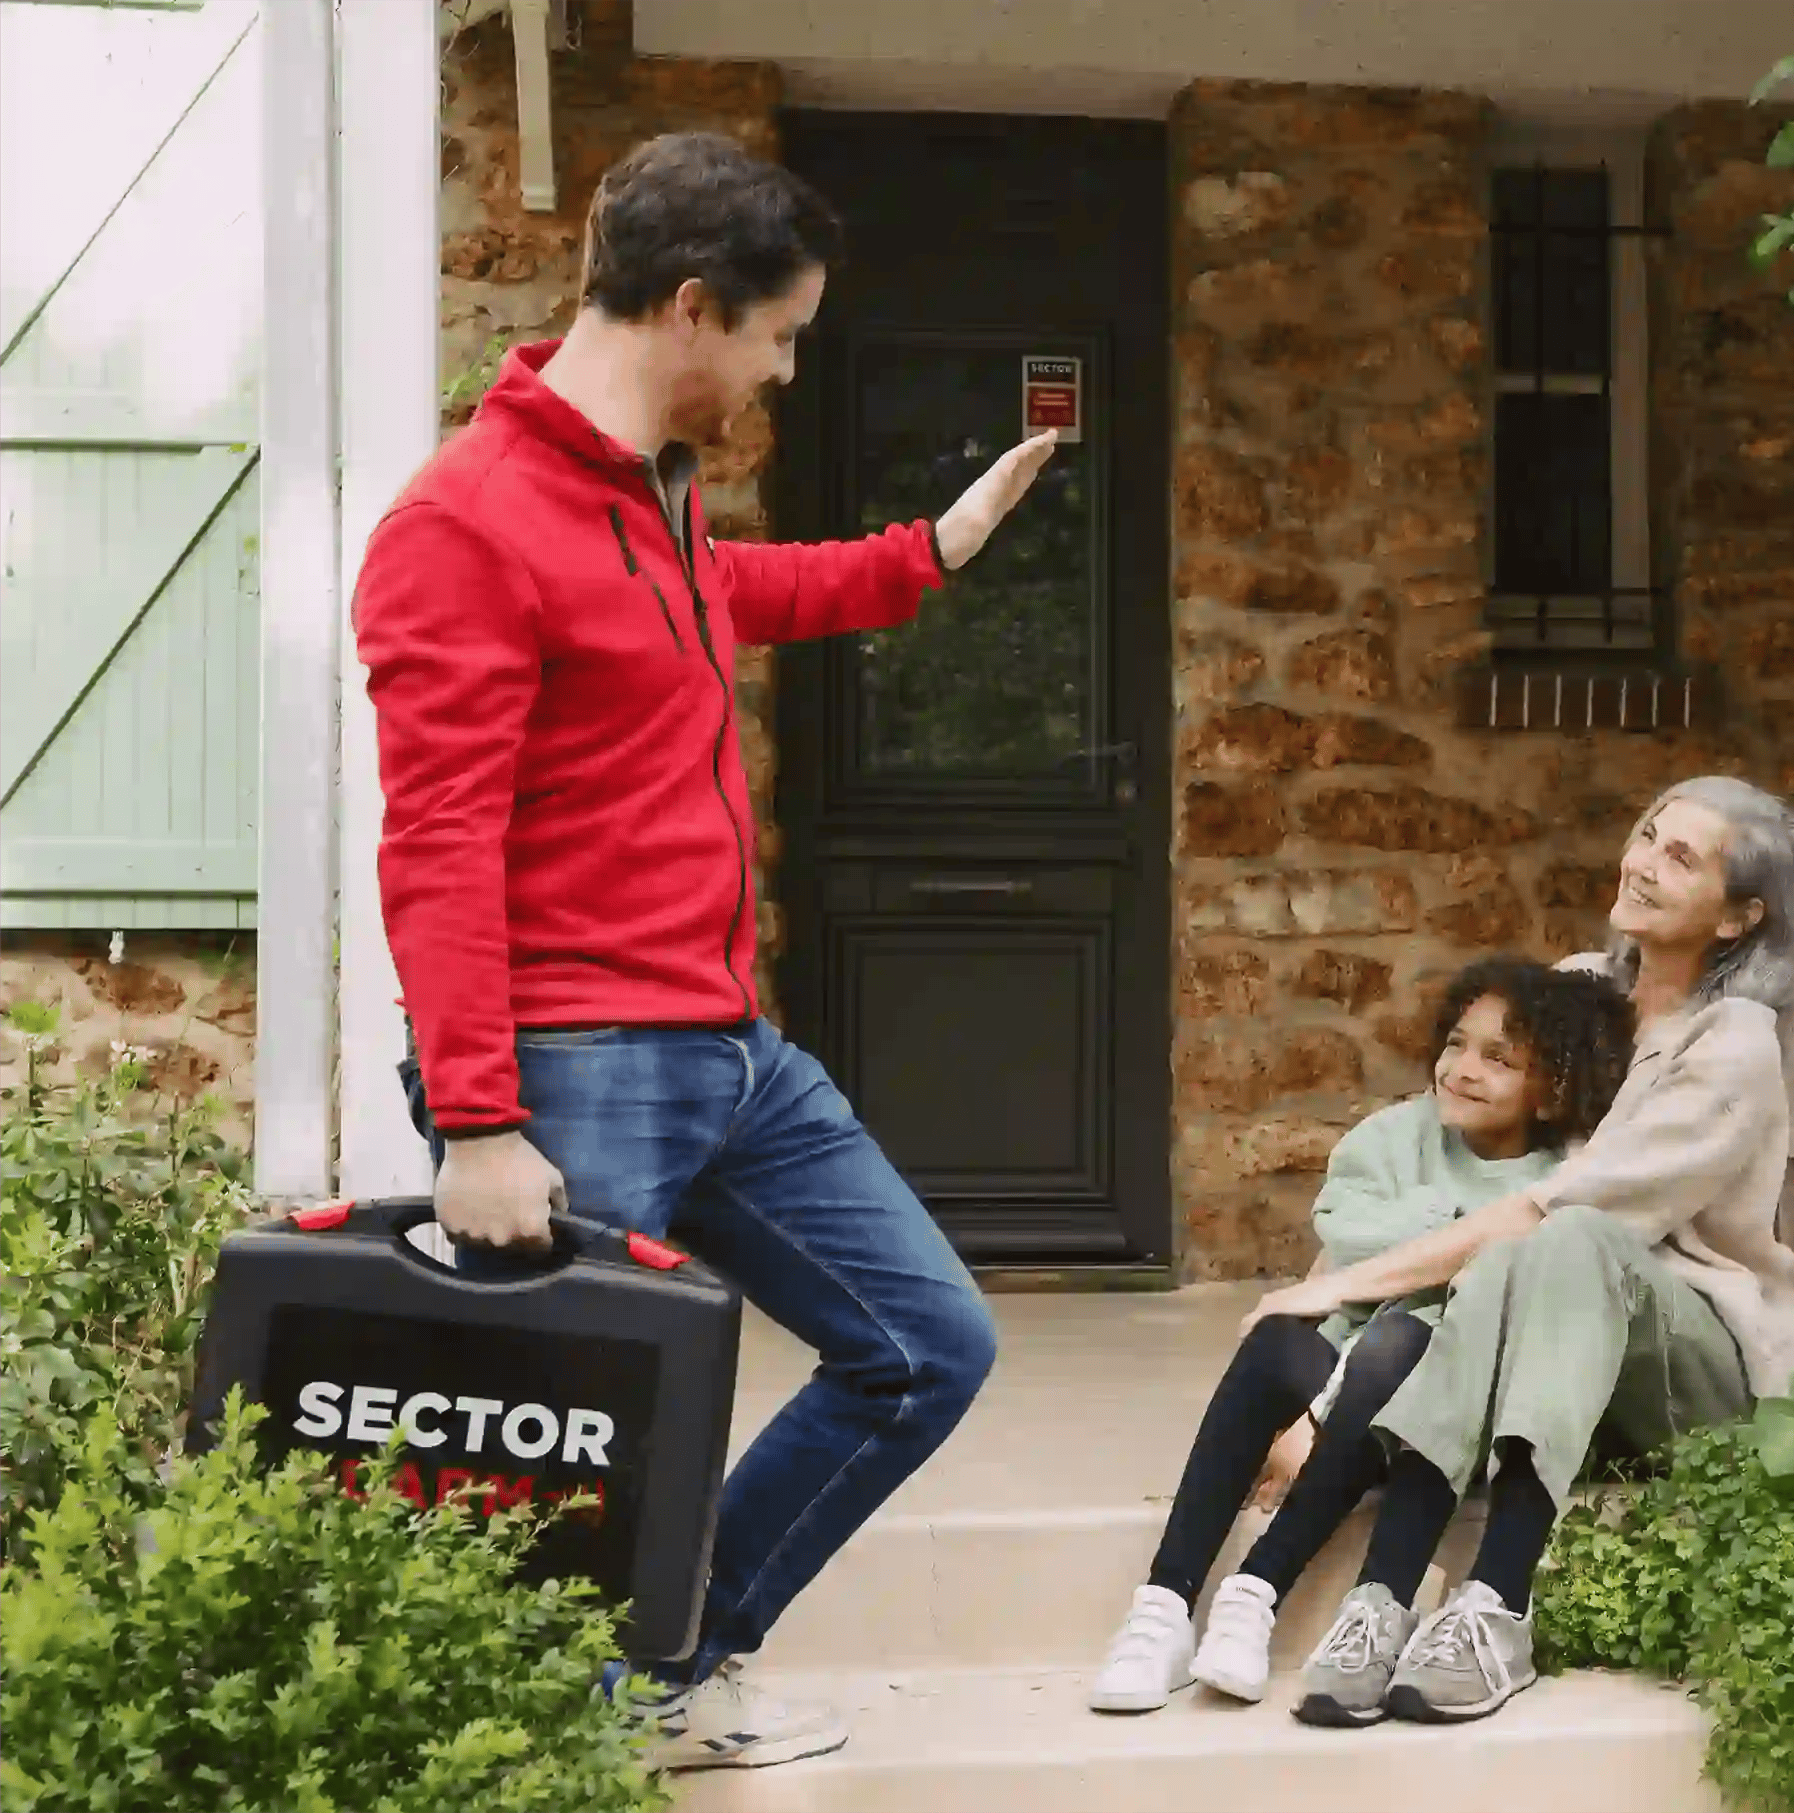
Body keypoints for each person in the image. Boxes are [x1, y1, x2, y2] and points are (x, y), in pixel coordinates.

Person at [354, 132, 1059, 1773]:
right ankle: (553, 1744)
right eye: (779, 335)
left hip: (730, 1053)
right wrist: (477, 1117)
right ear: (690, 307)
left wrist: (929, 550)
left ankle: (659, 1667)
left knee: (923, 1349)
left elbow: (730, 594)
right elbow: (436, 838)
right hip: (575, 1066)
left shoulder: (651, 502)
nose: (785, 369)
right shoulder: (465, 523)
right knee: (576, 1448)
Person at [1245, 776, 1794, 1727]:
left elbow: (1550, 1207)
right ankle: (1382, 1599)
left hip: (1691, 1376)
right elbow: (1451, 1165)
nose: (1643, 862)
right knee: (1520, 1247)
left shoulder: (1733, 1046)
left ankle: (1497, 1600)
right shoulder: (1579, 990)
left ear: (1738, 915)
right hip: (1549, 1349)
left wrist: (1334, 1296)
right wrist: (1323, 1387)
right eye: (1647, 833)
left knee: (1567, 1234)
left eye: (1682, 857)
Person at [1088, 959, 1637, 1718]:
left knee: (1399, 1345)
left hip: (1434, 1407)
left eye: (1499, 1059)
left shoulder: (1557, 1179)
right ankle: (1164, 1605)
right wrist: (1460, 1232)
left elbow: (1463, 1305)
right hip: (1349, 1368)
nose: (1462, 1069)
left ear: (1551, 1090)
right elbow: (1348, 1233)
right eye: (1456, 1043)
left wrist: (1317, 1417)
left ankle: (1257, 1591)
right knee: (1277, 1336)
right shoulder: (1393, 1136)